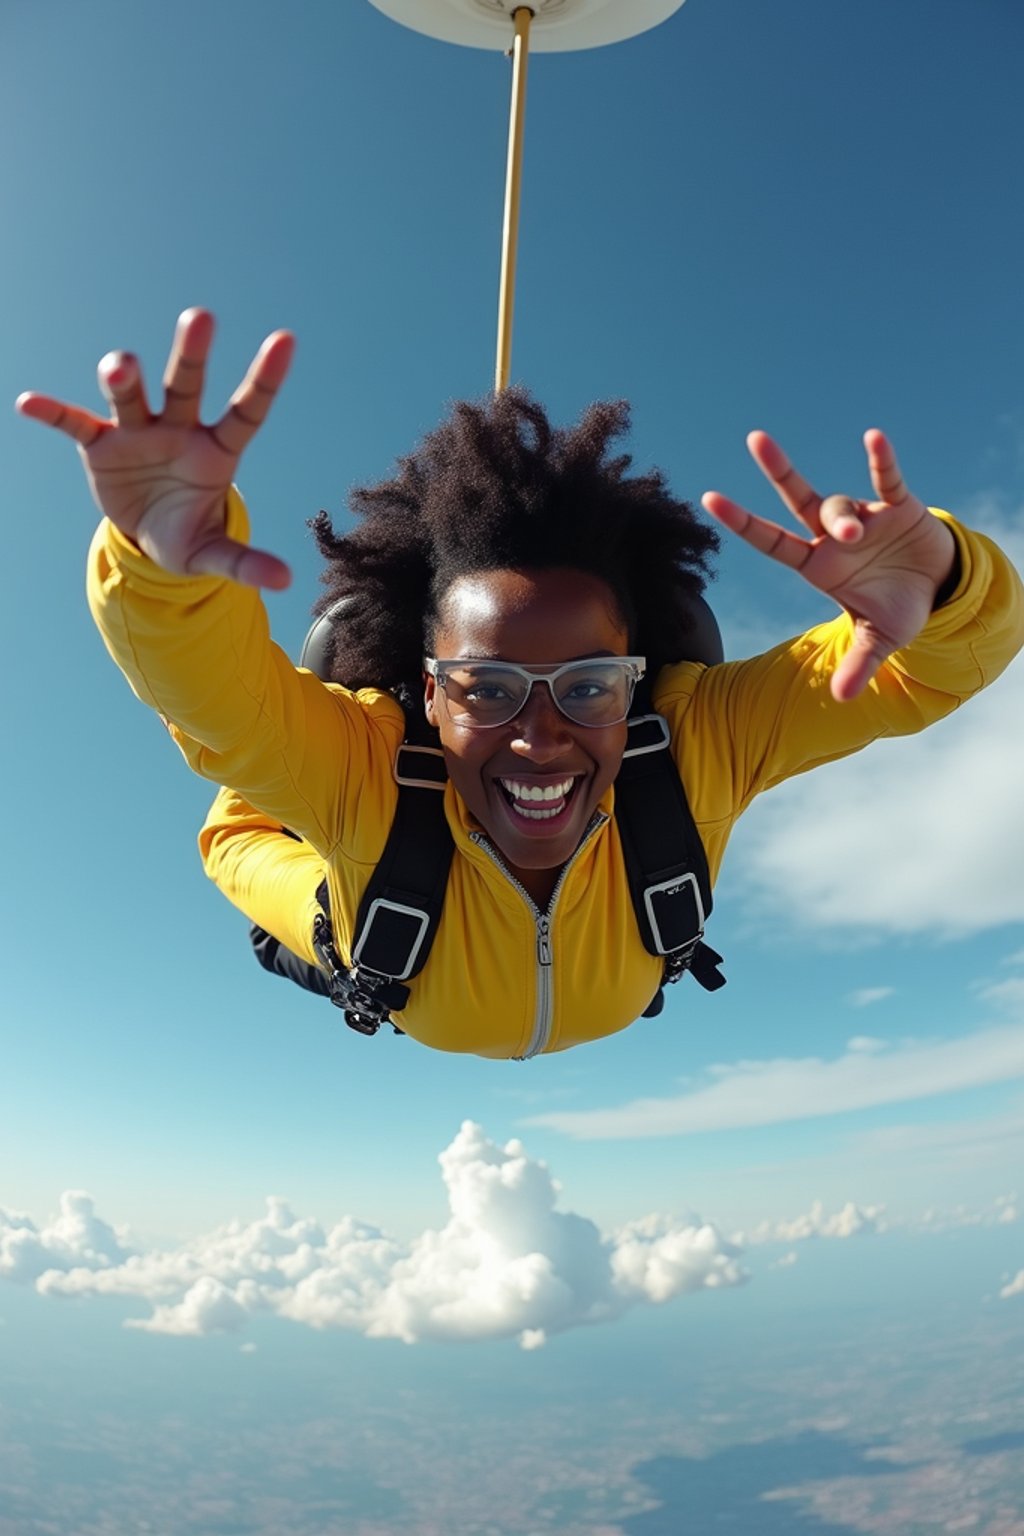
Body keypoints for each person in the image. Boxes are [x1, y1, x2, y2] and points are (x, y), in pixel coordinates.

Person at [17, 308, 1024, 1059]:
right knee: (270, 836)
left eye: (589, 685)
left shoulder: (693, 741)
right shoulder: (368, 767)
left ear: (639, 677)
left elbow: (918, 678)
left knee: (279, 770)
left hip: (514, 942)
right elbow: (209, 697)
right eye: (487, 687)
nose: (541, 736)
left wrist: (938, 588)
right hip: (350, 877)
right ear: (426, 689)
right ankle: (298, 872)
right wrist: (162, 565)